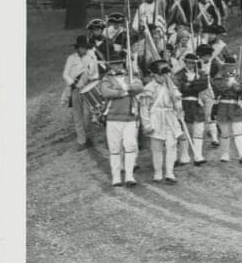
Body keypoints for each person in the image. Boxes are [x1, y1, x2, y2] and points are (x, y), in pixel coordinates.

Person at [96, 60, 144, 188]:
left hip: (129, 117)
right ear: (110, 65)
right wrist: (123, 92)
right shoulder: (106, 78)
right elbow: (106, 92)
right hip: (112, 117)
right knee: (114, 148)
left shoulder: (131, 76)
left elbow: (139, 87)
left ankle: (129, 176)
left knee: (130, 146)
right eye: (114, 64)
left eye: (119, 64)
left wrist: (125, 88)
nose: (117, 66)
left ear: (123, 64)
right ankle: (116, 177)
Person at [142, 58, 184, 184]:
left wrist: (178, 104)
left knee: (172, 145)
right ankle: (158, 173)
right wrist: (147, 124)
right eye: (161, 74)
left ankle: (170, 173)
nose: (163, 77)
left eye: (165, 74)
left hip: (170, 117)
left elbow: (178, 100)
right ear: (154, 75)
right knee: (157, 148)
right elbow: (144, 108)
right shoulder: (149, 88)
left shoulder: (170, 86)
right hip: (156, 117)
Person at [211, 51, 242, 164]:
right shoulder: (219, 76)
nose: (229, 67)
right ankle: (224, 154)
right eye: (227, 65)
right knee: (225, 133)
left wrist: (238, 84)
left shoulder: (240, 75)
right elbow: (218, 88)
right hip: (223, 106)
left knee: (238, 131)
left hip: (236, 106)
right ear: (224, 65)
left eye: (231, 65)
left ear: (234, 65)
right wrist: (230, 84)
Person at [62, 34, 100, 149]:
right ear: (77, 47)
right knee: (77, 115)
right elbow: (65, 74)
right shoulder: (71, 58)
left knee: (88, 115)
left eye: (85, 47)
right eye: (81, 47)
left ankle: (89, 138)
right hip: (75, 89)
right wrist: (73, 84)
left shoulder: (92, 58)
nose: (83, 49)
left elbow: (96, 73)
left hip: (87, 89)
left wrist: (91, 80)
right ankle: (81, 141)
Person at [174, 52, 209, 167]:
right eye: (189, 62)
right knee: (184, 130)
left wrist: (190, 85)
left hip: (197, 103)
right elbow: (178, 87)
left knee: (198, 129)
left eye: (193, 63)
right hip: (183, 103)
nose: (191, 65)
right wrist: (192, 85)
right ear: (185, 62)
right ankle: (184, 156)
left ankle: (198, 155)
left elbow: (203, 85)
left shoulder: (201, 73)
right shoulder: (178, 74)